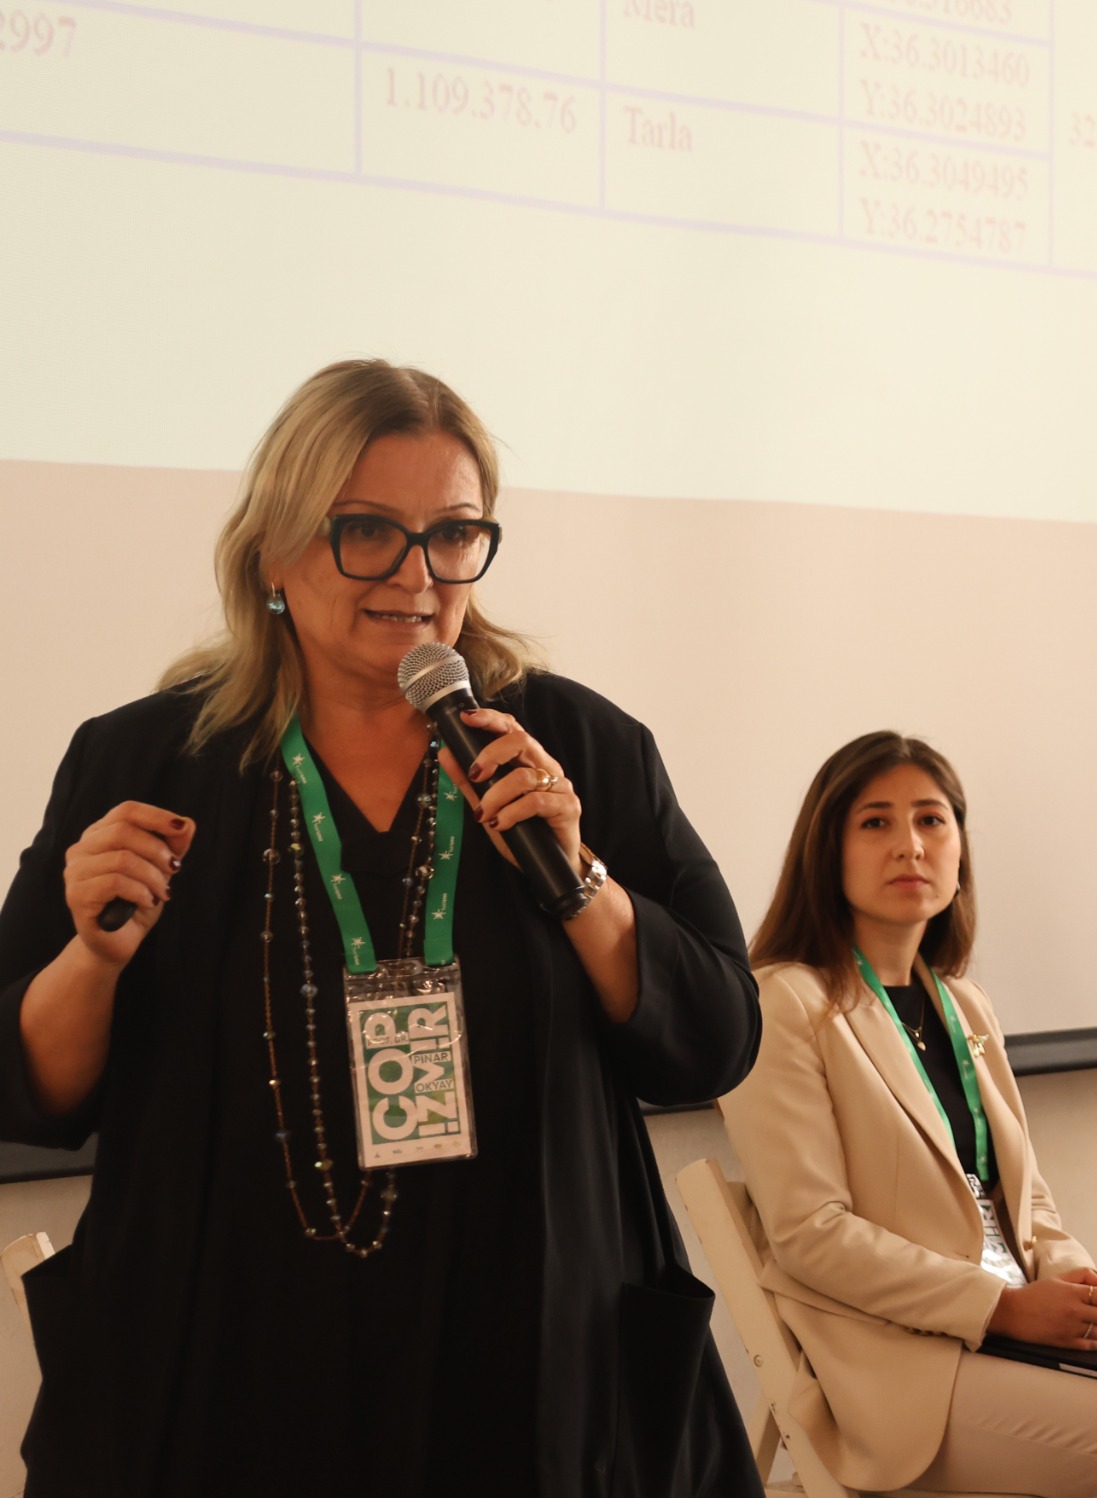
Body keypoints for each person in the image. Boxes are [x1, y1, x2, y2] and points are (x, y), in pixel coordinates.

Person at [0, 361, 763, 1497]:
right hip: (228, 1365)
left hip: (532, 1362)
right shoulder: (144, 760)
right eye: (367, 531)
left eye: (452, 534)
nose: (416, 574)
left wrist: (582, 882)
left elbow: (716, 1038)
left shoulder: (577, 748)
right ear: (274, 551)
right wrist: (95, 958)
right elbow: (27, 1093)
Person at [718, 731, 1097, 1498]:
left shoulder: (964, 1007)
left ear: (960, 850)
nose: (910, 845)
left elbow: (1028, 1201)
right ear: (826, 849)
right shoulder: (785, 1004)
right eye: (875, 822)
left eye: (931, 820)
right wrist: (1001, 1309)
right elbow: (813, 1234)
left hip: (1019, 1339)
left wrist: (1080, 1290)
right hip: (906, 1368)